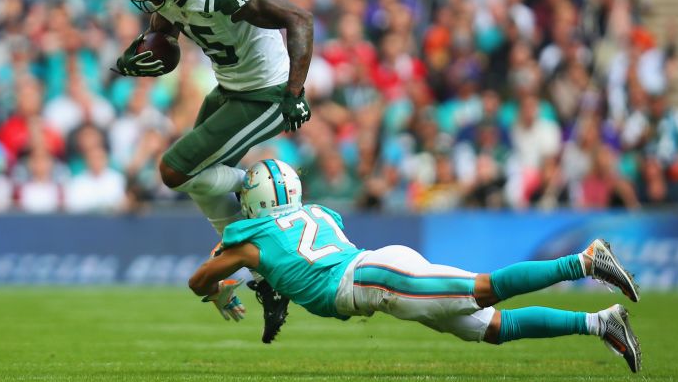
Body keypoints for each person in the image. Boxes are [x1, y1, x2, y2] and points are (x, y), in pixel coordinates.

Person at [189, 159, 642, 373]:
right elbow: (287, 262)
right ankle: (602, 324)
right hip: (380, 270)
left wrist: (218, 288)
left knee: (483, 289)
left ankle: (583, 261)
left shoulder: (250, 242)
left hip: (375, 281)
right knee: (492, 327)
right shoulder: (320, 213)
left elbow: (200, 277)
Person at [113, 0, 314, 342]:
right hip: (230, 89)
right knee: (200, 185)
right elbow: (166, 41)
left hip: (266, 93)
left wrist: (294, 92)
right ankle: (266, 276)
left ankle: (263, 190)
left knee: (174, 171)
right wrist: (148, 55)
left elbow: (299, 18)